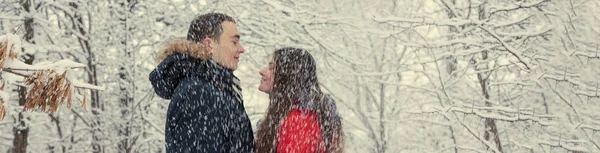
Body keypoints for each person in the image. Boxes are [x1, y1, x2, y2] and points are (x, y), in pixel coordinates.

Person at [149, 13, 254, 153]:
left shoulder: (215, 88)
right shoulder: (199, 93)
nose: (241, 49)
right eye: (234, 42)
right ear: (209, 45)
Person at [255, 47, 344, 153]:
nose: (262, 72)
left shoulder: (299, 121)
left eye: (271, 68)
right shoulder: (291, 114)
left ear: (288, 76)